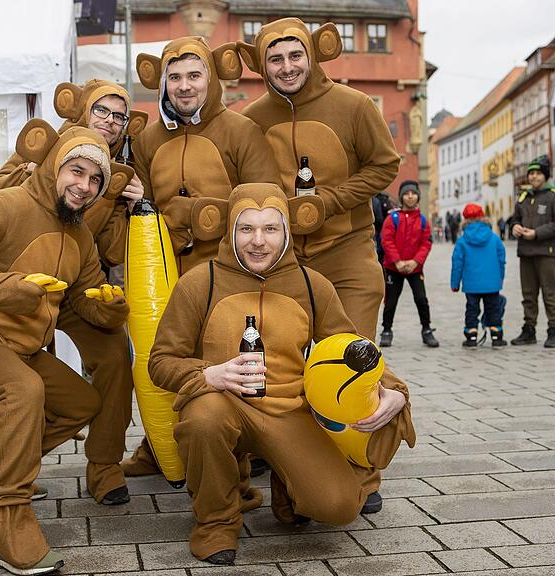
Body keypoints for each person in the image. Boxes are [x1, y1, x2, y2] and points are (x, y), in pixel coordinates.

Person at [148, 183, 414, 565]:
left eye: (270, 229)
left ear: (286, 232)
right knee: (204, 420)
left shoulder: (311, 284)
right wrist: (210, 375)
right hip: (223, 404)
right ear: (230, 231)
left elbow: (352, 348)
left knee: (339, 507)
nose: (258, 241)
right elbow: (160, 361)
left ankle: (288, 486)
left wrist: (396, 390)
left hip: (289, 411)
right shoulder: (199, 282)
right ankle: (216, 523)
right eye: (246, 228)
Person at [0, 123, 134, 574]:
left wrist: (109, 310)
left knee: (81, 403)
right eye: (77, 171)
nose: (85, 186)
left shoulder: (80, 237)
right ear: (55, 166)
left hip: (19, 349)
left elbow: (84, 298)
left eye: (95, 180)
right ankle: (0, 524)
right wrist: (1, 288)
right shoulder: (8, 204)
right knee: (22, 392)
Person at [237, 18, 401, 501]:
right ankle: (282, 450)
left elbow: (385, 165)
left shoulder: (352, 105)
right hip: (281, 264)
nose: (286, 67)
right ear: (262, 65)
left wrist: (330, 201)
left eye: (294, 55)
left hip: (346, 252)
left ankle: (362, 472)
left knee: (350, 365)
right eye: (275, 58)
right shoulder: (252, 117)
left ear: (311, 54)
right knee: (280, 364)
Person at [122, 37, 282, 479]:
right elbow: (148, 207)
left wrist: (199, 216)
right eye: (175, 77)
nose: (184, 86)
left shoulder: (240, 130)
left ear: (210, 78)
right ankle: (164, 445)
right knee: (172, 358)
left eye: (194, 76)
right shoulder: (149, 138)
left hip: (229, 269)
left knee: (227, 358)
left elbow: (265, 202)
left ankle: (241, 452)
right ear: (164, 84)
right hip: (170, 270)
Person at [379, 181, 439, 348]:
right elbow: (387, 240)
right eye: (407, 193)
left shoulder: (422, 220)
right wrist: (397, 261)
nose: (410, 196)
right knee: (390, 301)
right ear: (402, 197)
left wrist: (415, 262)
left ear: (418, 196)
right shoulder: (393, 218)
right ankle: (386, 330)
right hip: (394, 268)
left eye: (413, 193)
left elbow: (426, 243)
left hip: (414, 268)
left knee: (421, 299)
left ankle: (426, 329)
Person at [509, 155, 555, 348]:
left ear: (545, 176)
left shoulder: (552, 196)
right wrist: (515, 227)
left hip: (547, 252)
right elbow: (514, 219)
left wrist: (536, 233)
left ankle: (553, 329)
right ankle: (529, 329)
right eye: (531, 173)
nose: (534, 177)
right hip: (526, 252)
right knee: (528, 294)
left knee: (550, 293)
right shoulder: (523, 197)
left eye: (538, 173)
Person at [451, 203, 507, 347]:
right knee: (494, 309)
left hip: (471, 284)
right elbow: (502, 259)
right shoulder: (494, 238)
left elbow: (457, 263)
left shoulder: (462, 241)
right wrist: (500, 277)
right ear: (483, 217)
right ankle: (496, 337)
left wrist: (455, 284)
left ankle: (471, 337)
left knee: (472, 310)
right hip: (492, 283)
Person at [372, 191, 394, 263]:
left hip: (376, 229)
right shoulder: (384, 199)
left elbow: (378, 218)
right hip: (382, 228)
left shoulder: (374, 200)